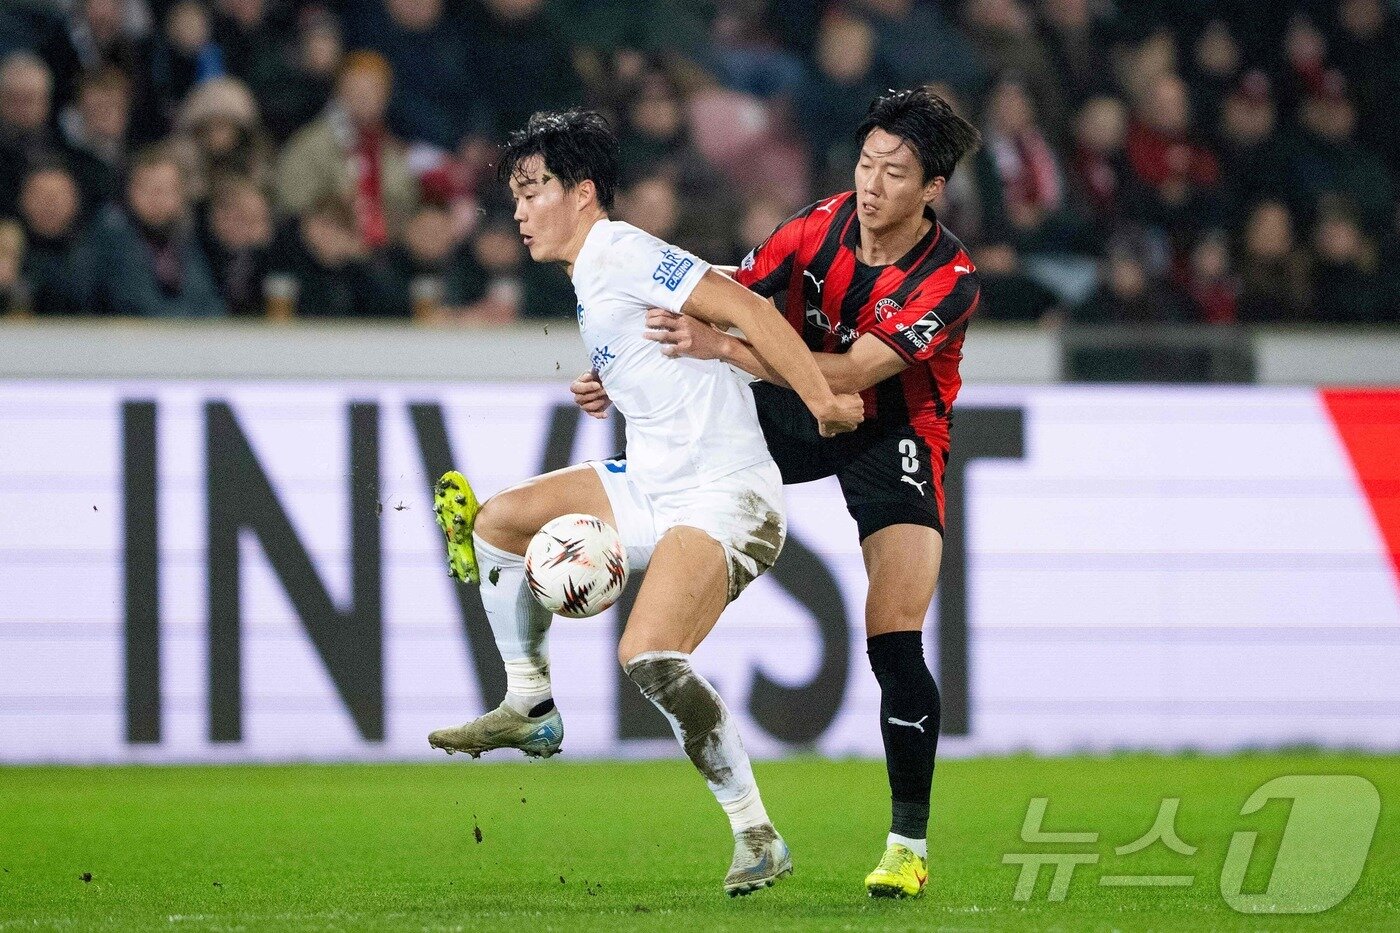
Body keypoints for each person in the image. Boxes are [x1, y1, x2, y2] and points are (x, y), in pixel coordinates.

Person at [426, 109, 864, 896]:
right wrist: (613, 377)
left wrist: (821, 398)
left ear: (583, 193)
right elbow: (665, 346)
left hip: (725, 495)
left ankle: (755, 831)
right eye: (515, 196)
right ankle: (529, 702)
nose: (518, 211)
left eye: (532, 191)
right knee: (496, 523)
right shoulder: (592, 276)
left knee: (649, 655)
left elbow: (747, 308)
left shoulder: (621, 249)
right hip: (652, 482)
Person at [572, 86, 983, 899]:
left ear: (932, 189)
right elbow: (734, 284)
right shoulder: (818, 224)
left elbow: (854, 375)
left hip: (891, 431)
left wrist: (722, 346)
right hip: (790, 406)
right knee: (686, 431)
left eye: (895, 173)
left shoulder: (950, 279)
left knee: (894, 631)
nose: (872, 184)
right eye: (867, 163)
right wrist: (622, 369)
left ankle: (906, 843)